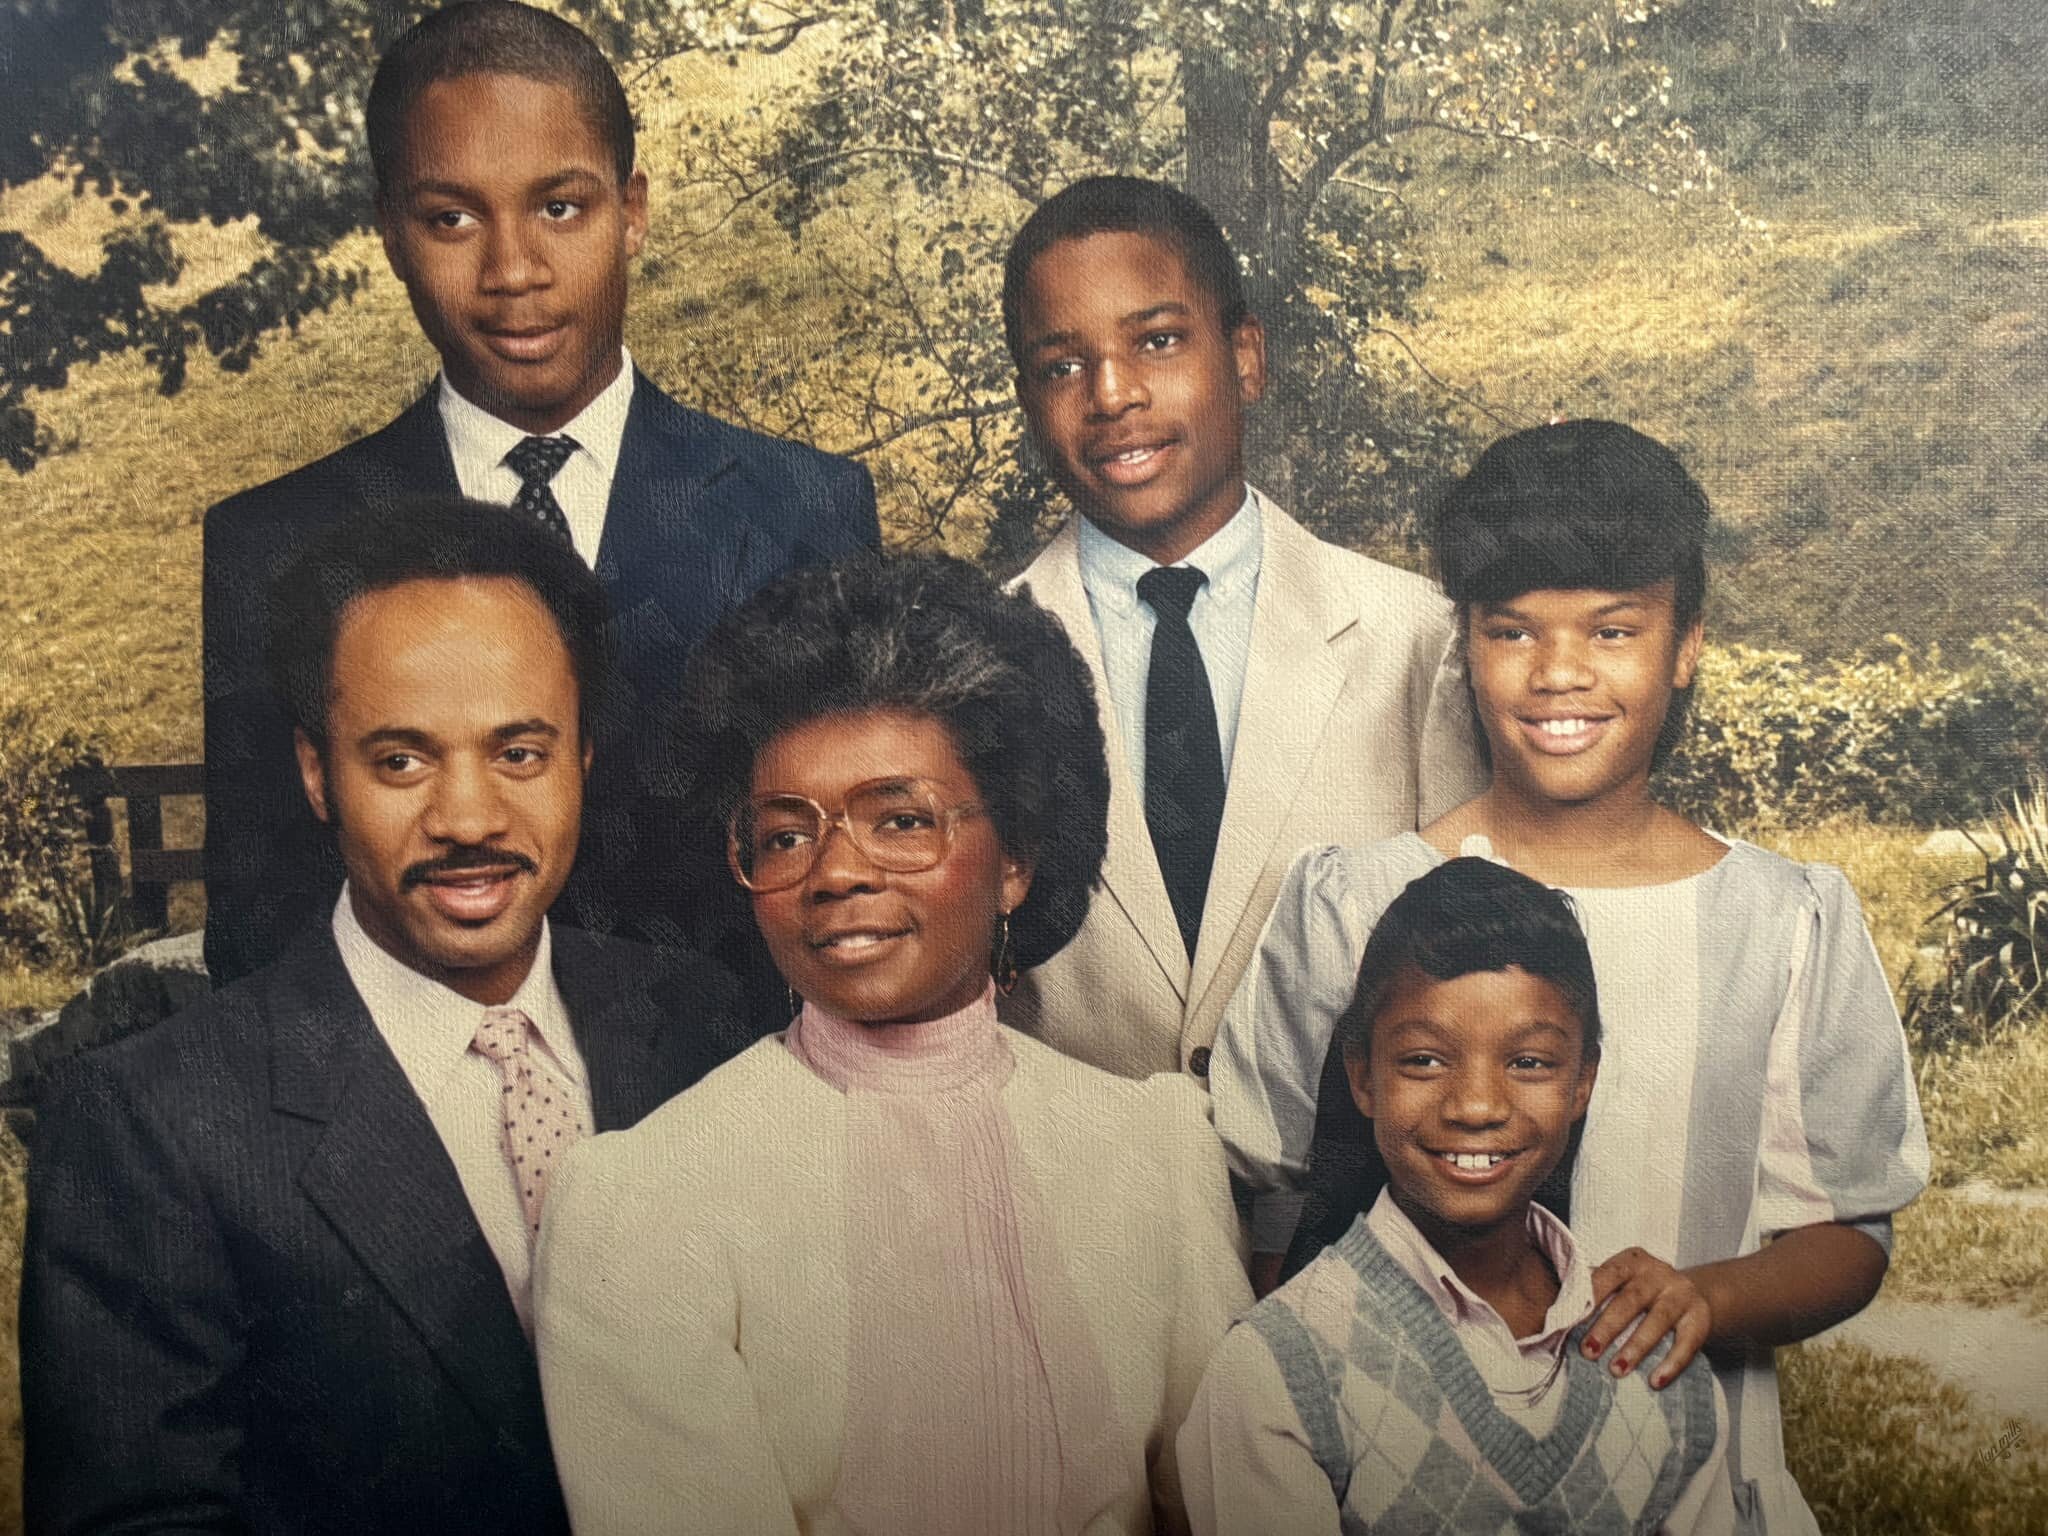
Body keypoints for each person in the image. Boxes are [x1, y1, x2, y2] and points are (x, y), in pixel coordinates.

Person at [1211, 420, 1929, 1533]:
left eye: (1610, 630)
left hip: (1696, 1489)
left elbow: (1847, 1237)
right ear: (1462, 644)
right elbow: (1267, 1212)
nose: (1558, 675)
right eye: (1511, 631)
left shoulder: (1784, 919)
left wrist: (1708, 1294)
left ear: (1684, 642)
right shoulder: (1349, 903)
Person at [23, 499, 755, 1536]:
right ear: (317, 771)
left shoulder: (706, 1025)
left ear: (585, 755)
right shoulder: (149, 1125)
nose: (467, 820)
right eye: (401, 760)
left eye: (519, 753)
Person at [534, 555, 1252, 1535]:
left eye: (899, 820)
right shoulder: (643, 1200)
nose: (833, 872)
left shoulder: (1155, 1151)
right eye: (784, 835)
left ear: (1015, 863)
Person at [202, 0, 880, 989]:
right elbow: (262, 931)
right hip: (412, 1119)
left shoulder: (804, 512)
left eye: (559, 207)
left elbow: (844, 883)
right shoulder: (274, 544)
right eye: (452, 219)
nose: (511, 271)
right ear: (390, 231)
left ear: (632, 211)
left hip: (736, 1107)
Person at [1000, 174, 1484, 1091]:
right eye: (1062, 365)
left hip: (1346, 1203)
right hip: (1078, 1202)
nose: (1112, 393)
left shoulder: (1415, 637)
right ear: (1028, 398)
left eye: (1157, 341)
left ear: (1247, 359)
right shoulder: (983, 660)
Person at [1181, 858, 1735, 1535]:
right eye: (1424, 1059)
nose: (1476, 1105)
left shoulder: (1661, 1367)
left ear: (1583, 1082)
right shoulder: (1277, 1372)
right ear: (1363, 1078)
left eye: (1528, 1061)